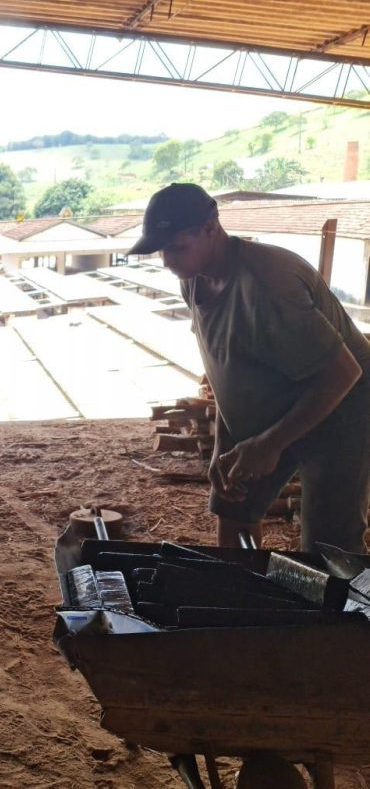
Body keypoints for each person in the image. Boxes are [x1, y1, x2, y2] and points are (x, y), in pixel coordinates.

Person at [129, 183, 370, 553]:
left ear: (211, 228)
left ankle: (334, 591)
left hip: (342, 404)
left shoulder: (268, 286)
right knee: (233, 503)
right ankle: (238, 584)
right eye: (162, 250)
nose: (167, 261)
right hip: (281, 396)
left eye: (177, 247)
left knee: (328, 544)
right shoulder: (194, 280)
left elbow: (344, 373)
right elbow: (226, 370)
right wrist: (222, 448)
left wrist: (270, 443)